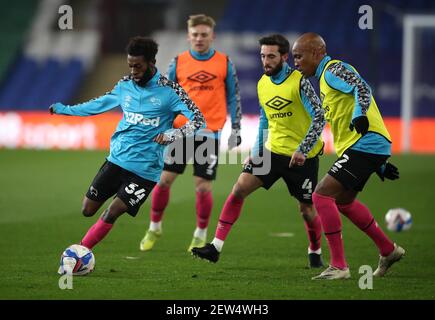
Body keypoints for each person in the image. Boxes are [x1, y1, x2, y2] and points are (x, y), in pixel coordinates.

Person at [52, 36, 205, 274]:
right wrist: (66, 110)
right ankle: (80, 253)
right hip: (116, 160)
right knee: (87, 209)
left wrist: (174, 134)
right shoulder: (124, 86)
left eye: (138, 66)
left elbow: (198, 119)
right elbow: (98, 104)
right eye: (130, 65)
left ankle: (79, 254)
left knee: (113, 211)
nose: (133, 71)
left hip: (145, 171)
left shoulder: (170, 91)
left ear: (152, 62)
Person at [192, 34, 326, 268]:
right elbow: (265, 119)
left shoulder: (299, 82)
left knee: (306, 209)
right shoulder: (263, 83)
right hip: (272, 152)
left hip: (302, 158)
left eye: (271, 56)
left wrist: (303, 149)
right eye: (263, 56)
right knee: (239, 189)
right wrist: (256, 152)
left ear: (284, 57)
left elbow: (319, 116)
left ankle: (315, 250)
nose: (266, 61)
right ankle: (215, 247)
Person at [291, 32, 404, 280]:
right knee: (343, 202)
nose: (295, 62)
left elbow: (362, 87)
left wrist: (359, 115)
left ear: (316, 52)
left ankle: (339, 266)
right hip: (365, 147)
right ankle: (388, 250)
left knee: (321, 196)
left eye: (299, 56)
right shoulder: (321, 81)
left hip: (367, 142)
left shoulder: (333, 69)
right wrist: (379, 164)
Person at [139, 14, 242, 253]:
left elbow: (233, 96)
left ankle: (200, 233)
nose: (199, 38)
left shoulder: (224, 62)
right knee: (163, 181)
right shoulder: (178, 62)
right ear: (189, 36)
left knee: (203, 187)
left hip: (209, 132)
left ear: (212, 36)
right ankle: (154, 227)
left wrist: (236, 127)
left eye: (204, 35)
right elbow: (165, 95)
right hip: (180, 130)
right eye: (195, 35)